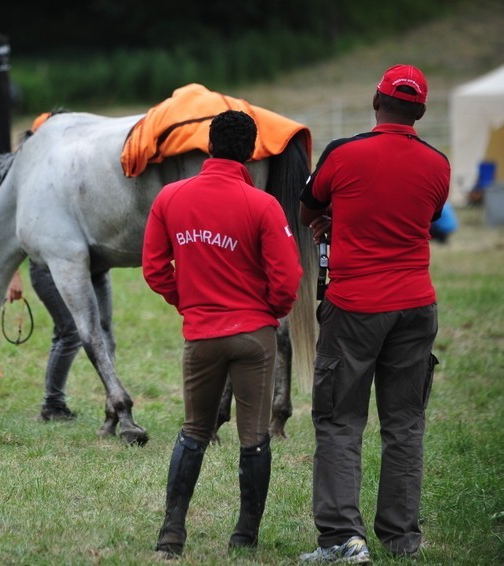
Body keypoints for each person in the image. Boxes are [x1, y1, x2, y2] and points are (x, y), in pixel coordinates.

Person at [299, 64, 449, 562]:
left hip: (355, 307)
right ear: (421, 112)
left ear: (374, 100)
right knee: (404, 425)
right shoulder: (438, 164)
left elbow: (308, 209)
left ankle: (343, 538)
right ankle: (402, 539)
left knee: (341, 422)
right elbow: (420, 217)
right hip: (416, 306)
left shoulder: (343, 153)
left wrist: (334, 221)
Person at [142, 110, 303, 558]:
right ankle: (244, 538)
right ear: (251, 154)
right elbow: (288, 277)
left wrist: (188, 303)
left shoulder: (170, 199)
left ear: (209, 146)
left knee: (194, 431)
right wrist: (269, 312)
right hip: (255, 335)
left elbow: (154, 268)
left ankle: (171, 535)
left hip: (202, 335)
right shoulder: (263, 206)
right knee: (254, 438)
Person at [5, 261, 112, 421]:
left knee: (86, 330)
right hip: (47, 269)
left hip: (81, 269)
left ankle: (56, 404)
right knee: (70, 331)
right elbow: (11, 238)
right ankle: (53, 404)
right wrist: (13, 276)